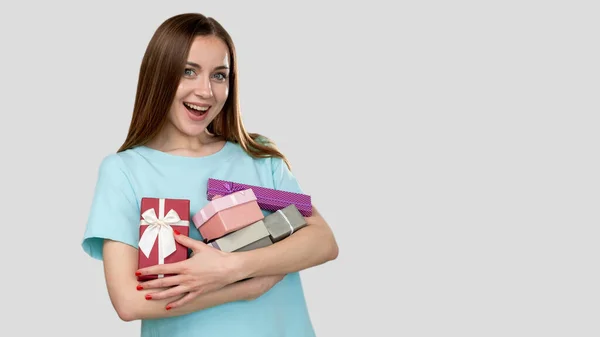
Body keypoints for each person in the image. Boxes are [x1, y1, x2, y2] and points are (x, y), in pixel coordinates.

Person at [81, 12, 339, 337]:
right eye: (189, 71)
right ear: (159, 75)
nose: (206, 91)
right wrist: (243, 287)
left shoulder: (259, 156)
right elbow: (129, 302)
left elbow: (323, 240)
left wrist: (233, 266)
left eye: (219, 76)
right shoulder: (125, 171)